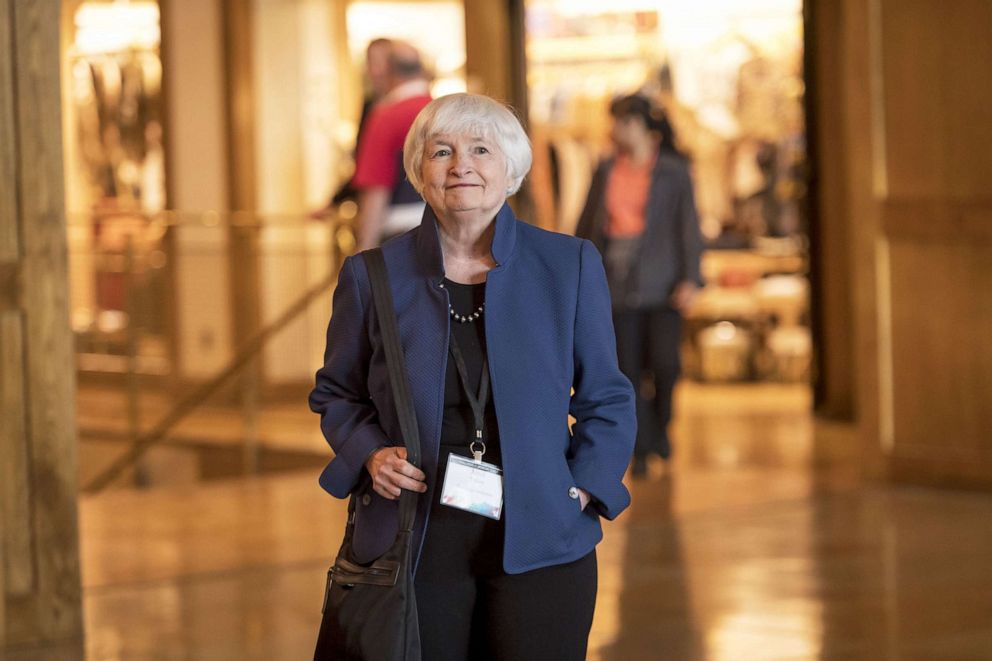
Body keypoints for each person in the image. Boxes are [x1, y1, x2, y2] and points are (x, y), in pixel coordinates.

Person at [309, 93, 636, 660]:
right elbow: (337, 392)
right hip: (418, 532)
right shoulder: (373, 276)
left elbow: (606, 395)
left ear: (509, 169)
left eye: (481, 150)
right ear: (419, 172)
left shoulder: (568, 264)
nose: (461, 165)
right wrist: (368, 453)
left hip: (544, 528)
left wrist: (582, 486)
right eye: (442, 151)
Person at [575, 94, 704, 476]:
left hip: (663, 283)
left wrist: (691, 277)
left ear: (646, 128)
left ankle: (661, 428)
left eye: (625, 121)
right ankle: (643, 447)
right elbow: (588, 224)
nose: (616, 129)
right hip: (615, 282)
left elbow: (689, 226)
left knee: (666, 366)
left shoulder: (673, 171)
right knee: (627, 370)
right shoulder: (604, 169)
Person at [350, 40, 432, 249]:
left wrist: (364, 251)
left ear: (386, 71)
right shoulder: (440, 111)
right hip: (443, 231)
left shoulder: (386, 116)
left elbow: (376, 189)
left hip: (400, 236)